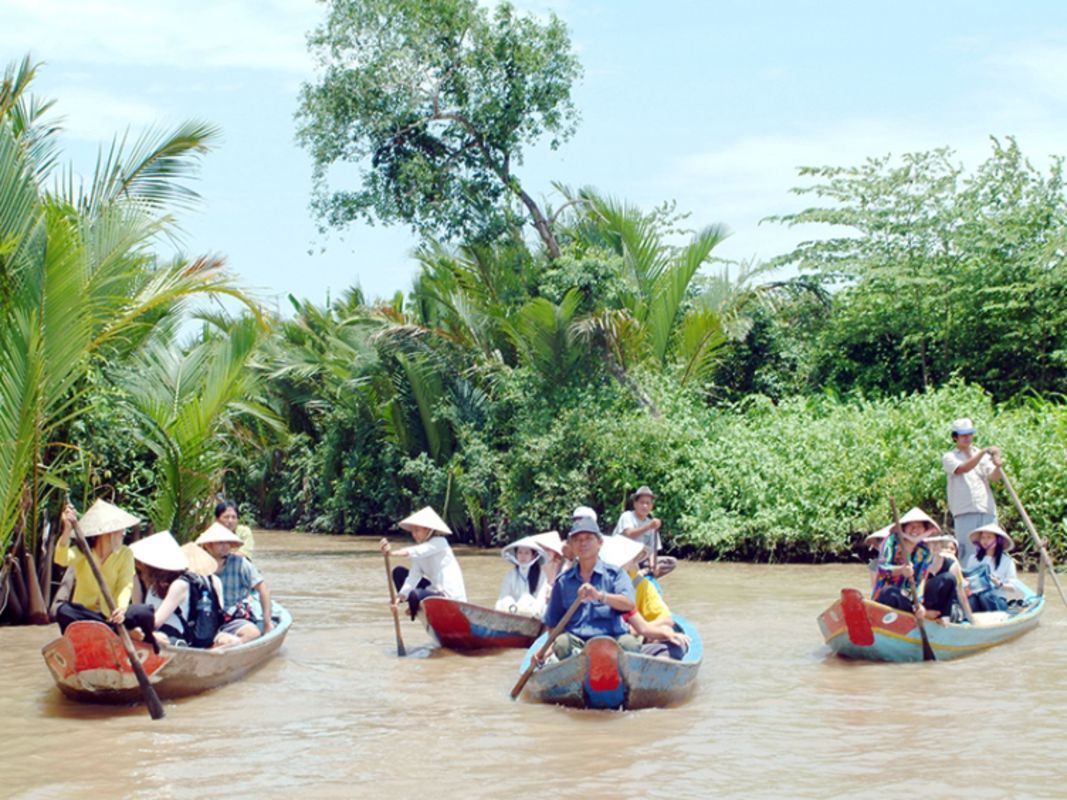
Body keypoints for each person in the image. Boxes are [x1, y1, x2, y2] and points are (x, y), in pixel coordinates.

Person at [52, 499, 156, 646]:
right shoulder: (84, 551)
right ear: (107, 533)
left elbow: (125, 584)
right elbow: (61, 559)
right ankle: (117, 632)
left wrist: (120, 610)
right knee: (64, 611)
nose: (123, 534)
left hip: (112, 615)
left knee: (146, 612)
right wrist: (67, 530)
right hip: (86, 615)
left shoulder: (125, 553)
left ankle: (113, 630)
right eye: (119, 530)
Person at [542, 518, 639, 661]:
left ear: (600, 543)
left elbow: (628, 603)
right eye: (577, 540)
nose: (583, 543)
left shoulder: (616, 574)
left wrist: (600, 596)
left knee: (630, 644)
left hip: (612, 638)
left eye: (588, 538)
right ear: (571, 546)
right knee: (562, 643)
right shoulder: (563, 581)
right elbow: (552, 622)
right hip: (578, 643)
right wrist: (547, 649)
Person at [130, 531, 236, 649]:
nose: (140, 565)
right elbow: (140, 609)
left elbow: (155, 622)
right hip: (159, 633)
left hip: (174, 637)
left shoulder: (179, 585)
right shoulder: (153, 584)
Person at [599, 534, 689, 659]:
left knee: (674, 641)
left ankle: (655, 665)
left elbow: (663, 621)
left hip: (633, 642)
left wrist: (652, 631)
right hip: (603, 644)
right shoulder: (593, 587)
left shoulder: (638, 586)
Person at [380, 506, 467, 620]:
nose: (414, 534)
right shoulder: (419, 554)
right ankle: (414, 604)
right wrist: (398, 598)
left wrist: (391, 553)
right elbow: (413, 577)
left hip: (449, 596)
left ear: (428, 530)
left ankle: (414, 606)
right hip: (434, 591)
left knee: (414, 594)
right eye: (413, 531)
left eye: (417, 530)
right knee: (399, 573)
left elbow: (418, 551)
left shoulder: (440, 542)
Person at [196, 521, 273, 642]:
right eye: (220, 542)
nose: (225, 546)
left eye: (227, 542)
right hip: (205, 618)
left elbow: (263, 590)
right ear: (208, 545)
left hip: (234, 618)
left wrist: (267, 622)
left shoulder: (240, 563)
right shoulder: (198, 566)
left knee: (253, 633)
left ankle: (230, 645)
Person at [942, 417, 1003, 564]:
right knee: (967, 552)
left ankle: (991, 576)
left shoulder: (982, 456)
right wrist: (982, 453)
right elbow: (963, 468)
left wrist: (998, 465)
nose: (967, 438)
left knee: (991, 550)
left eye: (969, 434)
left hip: (986, 509)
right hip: (965, 511)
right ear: (955, 437)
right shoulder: (949, 457)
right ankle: (967, 578)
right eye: (963, 435)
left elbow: (994, 477)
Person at [872, 507, 939, 616]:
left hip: (907, 599)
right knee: (889, 593)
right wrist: (901, 570)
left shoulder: (925, 550)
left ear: (925, 529)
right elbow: (882, 568)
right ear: (904, 527)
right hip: (885, 595)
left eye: (919, 526)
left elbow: (921, 579)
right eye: (911, 526)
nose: (915, 530)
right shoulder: (891, 541)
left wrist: (919, 604)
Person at [612, 486, 677, 578]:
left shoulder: (651, 523)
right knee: (630, 561)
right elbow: (629, 533)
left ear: (651, 506)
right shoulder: (627, 516)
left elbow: (652, 549)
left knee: (671, 562)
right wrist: (648, 527)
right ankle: (637, 575)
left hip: (641, 559)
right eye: (642, 503)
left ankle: (645, 573)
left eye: (648, 503)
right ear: (635, 504)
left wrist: (653, 565)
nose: (645, 506)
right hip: (623, 558)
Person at [965, 522, 1018, 612]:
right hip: (977, 597)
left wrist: (999, 584)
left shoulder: (1007, 561)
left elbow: (1014, 587)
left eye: (989, 537)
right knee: (971, 600)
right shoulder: (973, 559)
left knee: (985, 596)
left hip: (997, 599)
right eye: (983, 537)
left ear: (998, 540)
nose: (985, 541)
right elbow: (967, 579)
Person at [923, 535, 974, 624]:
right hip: (925, 605)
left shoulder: (952, 564)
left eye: (937, 543)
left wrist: (970, 617)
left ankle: (944, 617)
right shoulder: (922, 562)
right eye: (931, 543)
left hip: (946, 607)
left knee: (949, 578)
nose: (935, 546)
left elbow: (960, 592)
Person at [495, 536, 548, 618]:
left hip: (532, 613)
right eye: (520, 552)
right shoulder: (510, 575)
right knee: (507, 600)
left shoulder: (541, 575)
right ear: (516, 555)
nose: (523, 556)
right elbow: (502, 596)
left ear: (533, 556)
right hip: (513, 611)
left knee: (527, 599)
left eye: (527, 553)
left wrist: (534, 612)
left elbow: (540, 599)